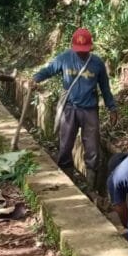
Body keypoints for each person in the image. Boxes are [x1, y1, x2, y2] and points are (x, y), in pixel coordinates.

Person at [32, 28, 117, 183]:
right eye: (79, 50)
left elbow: (105, 88)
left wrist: (112, 108)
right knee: (65, 145)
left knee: (92, 148)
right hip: (69, 108)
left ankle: (91, 184)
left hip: (89, 110)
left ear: (90, 47)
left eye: (84, 50)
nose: (81, 53)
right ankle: (66, 178)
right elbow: (49, 70)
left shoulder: (97, 63)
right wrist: (35, 79)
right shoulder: (64, 58)